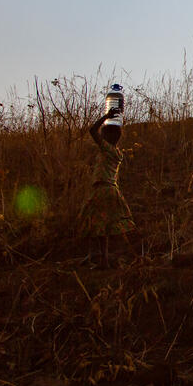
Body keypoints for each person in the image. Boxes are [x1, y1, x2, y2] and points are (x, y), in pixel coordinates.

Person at [75, 107, 135, 267]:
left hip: (101, 189)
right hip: (111, 189)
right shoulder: (117, 153)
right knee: (104, 227)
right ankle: (104, 259)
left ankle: (99, 257)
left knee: (94, 224)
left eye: (104, 134)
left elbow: (92, 130)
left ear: (107, 137)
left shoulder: (107, 149)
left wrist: (106, 117)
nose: (100, 135)